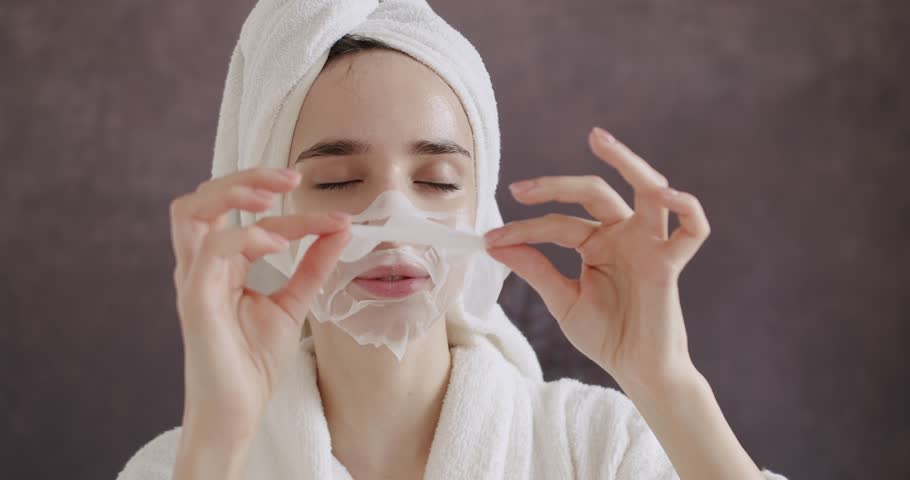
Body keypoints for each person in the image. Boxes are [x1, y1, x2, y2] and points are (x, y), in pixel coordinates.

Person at [117, 2, 787, 480]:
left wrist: (666, 382)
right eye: (340, 180)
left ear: (480, 206)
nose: (394, 223)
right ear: (263, 217)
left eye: (438, 181)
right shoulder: (179, 467)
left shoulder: (599, 450)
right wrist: (219, 444)